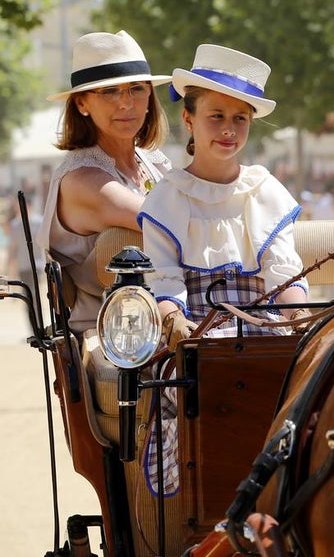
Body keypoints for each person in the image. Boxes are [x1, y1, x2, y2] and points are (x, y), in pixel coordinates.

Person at [139, 44, 309, 344]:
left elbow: (283, 274)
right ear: (188, 120)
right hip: (195, 338)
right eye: (216, 116)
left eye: (239, 118)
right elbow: (163, 280)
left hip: (263, 333)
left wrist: (297, 316)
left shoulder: (265, 192)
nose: (229, 129)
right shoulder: (168, 198)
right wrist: (174, 323)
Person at [34, 30, 173, 333]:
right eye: (109, 91)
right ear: (82, 104)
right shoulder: (83, 179)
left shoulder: (154, 163)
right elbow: (169, 221)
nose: (126, 103)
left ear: (150, 96)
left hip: (169, 315)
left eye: (136, 88)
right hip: (110, 337)